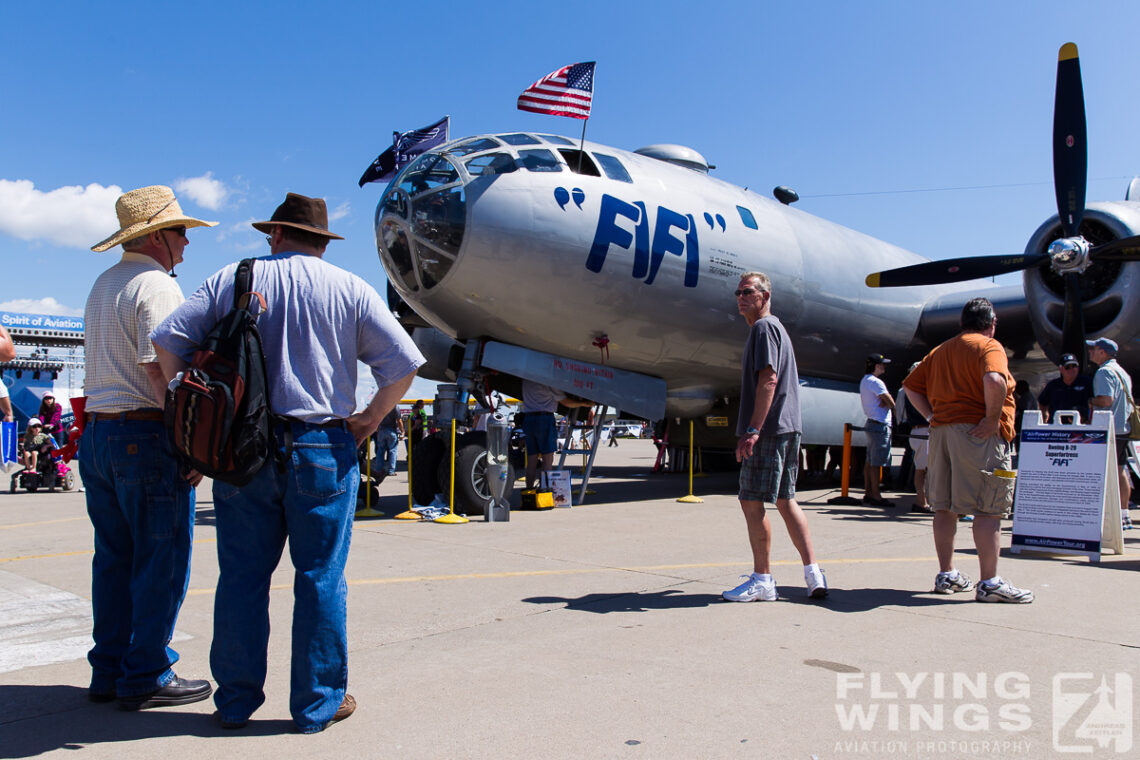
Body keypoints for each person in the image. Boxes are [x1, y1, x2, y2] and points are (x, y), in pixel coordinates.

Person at [152, 192, 425, 733]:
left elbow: (168, 340)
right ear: (322, 242)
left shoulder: (236, 277)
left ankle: (234, 702)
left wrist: (184, 402)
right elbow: (403, 365)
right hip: (322, 445)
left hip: (241, 449)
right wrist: (370, 418)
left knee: (242, 579)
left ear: (275, 234)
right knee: (321, 577)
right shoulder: (349, 288)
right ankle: (316, 706)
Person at [81, 185, 217, 708]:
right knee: (161, 558)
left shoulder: (103, 283)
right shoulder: (157, 286)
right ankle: (148, 671)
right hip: (143, 433)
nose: (187, 241)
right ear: (159, 236)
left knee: (113, 558)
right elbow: (157, 371)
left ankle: (110, 667)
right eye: (181, 231)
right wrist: (188, 444)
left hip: (99, 432)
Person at [903, 297, 1033, 604]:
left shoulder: (940, 350)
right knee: (989, 507)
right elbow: (993, 379)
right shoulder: (989, 346)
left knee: (944, 507)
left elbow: (910, 386)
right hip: (977, 434)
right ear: (992, 323)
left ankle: (947, 574)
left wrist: (933, 416)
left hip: (942, 433)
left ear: (962, 322)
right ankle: (989, 583)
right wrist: (991, 420)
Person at [723, 272, 827, 602]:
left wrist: (753, 430)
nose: (741, 297)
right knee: (785, 500)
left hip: (770, 428)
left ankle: (762, 579)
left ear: (765, 296)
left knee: (751, 500)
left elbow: (768, 381)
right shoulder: (775, 328)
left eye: (748, 292)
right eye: (738, 292)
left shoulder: (763, 328)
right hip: (786, 426)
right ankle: (813, 574)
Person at [1087, 337, 1133, 519]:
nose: (1091, 351)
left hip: (1109, 429)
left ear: (1102, 352)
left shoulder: (1104, 372)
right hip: (1123, 428)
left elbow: (1106, 400)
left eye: (1094, 348)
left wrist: (1090, 401)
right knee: (1121, 470)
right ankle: (1123, 513)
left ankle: (1107, 515)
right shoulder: (1121, 371)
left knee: (1104, 472)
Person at [519, 380, 592, 490]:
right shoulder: (548, 382)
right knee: (547, 459)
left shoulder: (526, 381)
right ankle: (544, 490)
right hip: (544, 419)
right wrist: (584, 403)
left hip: (528, 419)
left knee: (531, 460)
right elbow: (566, 402)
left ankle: (528, 491)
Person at [859, 353, 895, 507]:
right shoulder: (876, 382)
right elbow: (891, 403)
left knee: (870, 461)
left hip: (871, 423)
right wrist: (885, 400)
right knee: (877, 463)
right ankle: (876, 495)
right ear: (875, 365)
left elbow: (885, 401)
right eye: (881, 364)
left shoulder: (865, 380)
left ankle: (868, 492)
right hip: (880, 424)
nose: (884, 366)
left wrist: (884, 401)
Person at [899, 363, 932, 514]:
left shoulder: (906, 391)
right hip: (924, 431)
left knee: (922, 469)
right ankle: (922, 501)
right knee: (925, 470)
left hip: (918, 431)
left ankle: (923, 500)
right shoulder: (920, 390)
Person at [1037, 353, 1093, 424]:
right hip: (1057, 426)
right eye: (1067, 367)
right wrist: (1044, 418)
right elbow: (1042, 402)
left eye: (1074, 366)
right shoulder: (1053, 385)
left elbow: (1096, 402)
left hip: (1080, 426)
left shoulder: (1087, 382)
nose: (1071, 369)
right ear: (1061, 369)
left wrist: (1091, 420)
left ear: (1078, 367)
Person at [372, 406, 402, 476]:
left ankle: (378, 469)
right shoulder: (395, 407)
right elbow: (399, 420)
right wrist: (402, 431)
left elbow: (376, 420)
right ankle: (391, 470)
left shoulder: (380, 407)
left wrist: (377, 430)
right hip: (391, 430)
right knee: (393, 451)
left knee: (380, 451)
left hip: (381, 430)